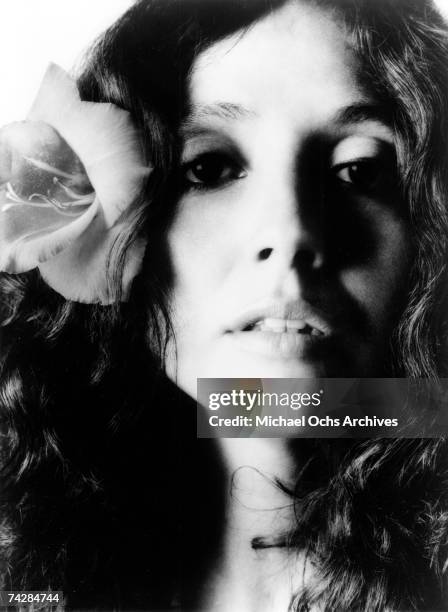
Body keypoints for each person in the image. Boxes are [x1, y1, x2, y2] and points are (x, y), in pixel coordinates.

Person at [1, 0, 448, 610]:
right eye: (209, 168)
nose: (291, 234)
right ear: (113, 223)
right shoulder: (29, 574)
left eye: (361, 170)